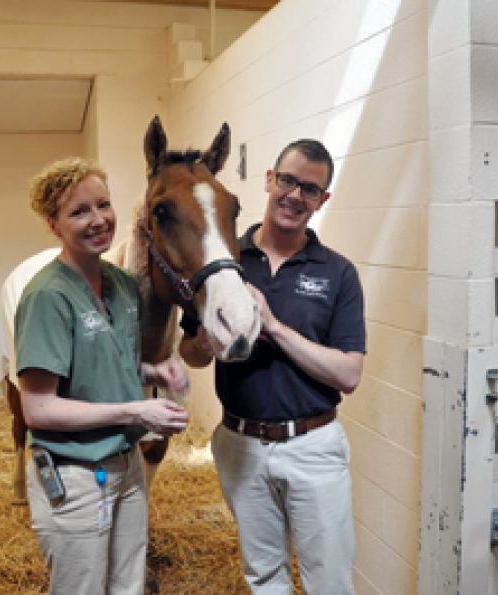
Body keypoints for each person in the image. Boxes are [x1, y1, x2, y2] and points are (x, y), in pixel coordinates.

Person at [179, 140, 365, 594]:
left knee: (330, 583)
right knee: (264, 577)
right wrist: (205, 341)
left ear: (323, 200)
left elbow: (348, 374)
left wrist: (275, 328)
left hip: (312, 446)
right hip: (241, 445)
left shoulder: (338, 272)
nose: (295, 195)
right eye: (287, 180)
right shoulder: (225, 262)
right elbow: (190, 352)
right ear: (269, 179)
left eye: (310, 189)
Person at [15, 157, 189, 595]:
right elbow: (38, 408)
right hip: (75, 474)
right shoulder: (46, 297)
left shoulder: (124, 286)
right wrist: (136, 409)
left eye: (103, 205)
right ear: (54, 224)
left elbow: (108, 362)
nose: (98, 221)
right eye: (79, 212)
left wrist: (154, 370)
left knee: (128, 586)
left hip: (126, 466)